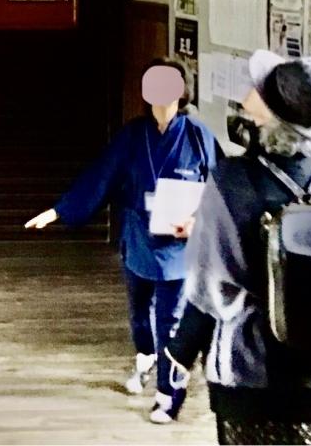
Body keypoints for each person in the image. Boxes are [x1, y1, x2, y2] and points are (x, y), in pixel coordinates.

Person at [170, 50, 311, 445]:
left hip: (252, 376)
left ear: (269, 118)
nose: (245, 96)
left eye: (256, 91)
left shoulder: (231, 181)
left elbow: (209, 289)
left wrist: (180, 351)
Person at [25, 58, 219, 423]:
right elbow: (100, 176)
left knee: (170, 321)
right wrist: (59, 211)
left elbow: (219, 190)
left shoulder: (198, 136)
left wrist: (199, 221)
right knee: (139, 314)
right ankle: (145, 356)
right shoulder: (132, 135)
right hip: (139, 236)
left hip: (179, 245)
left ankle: (167, 394)